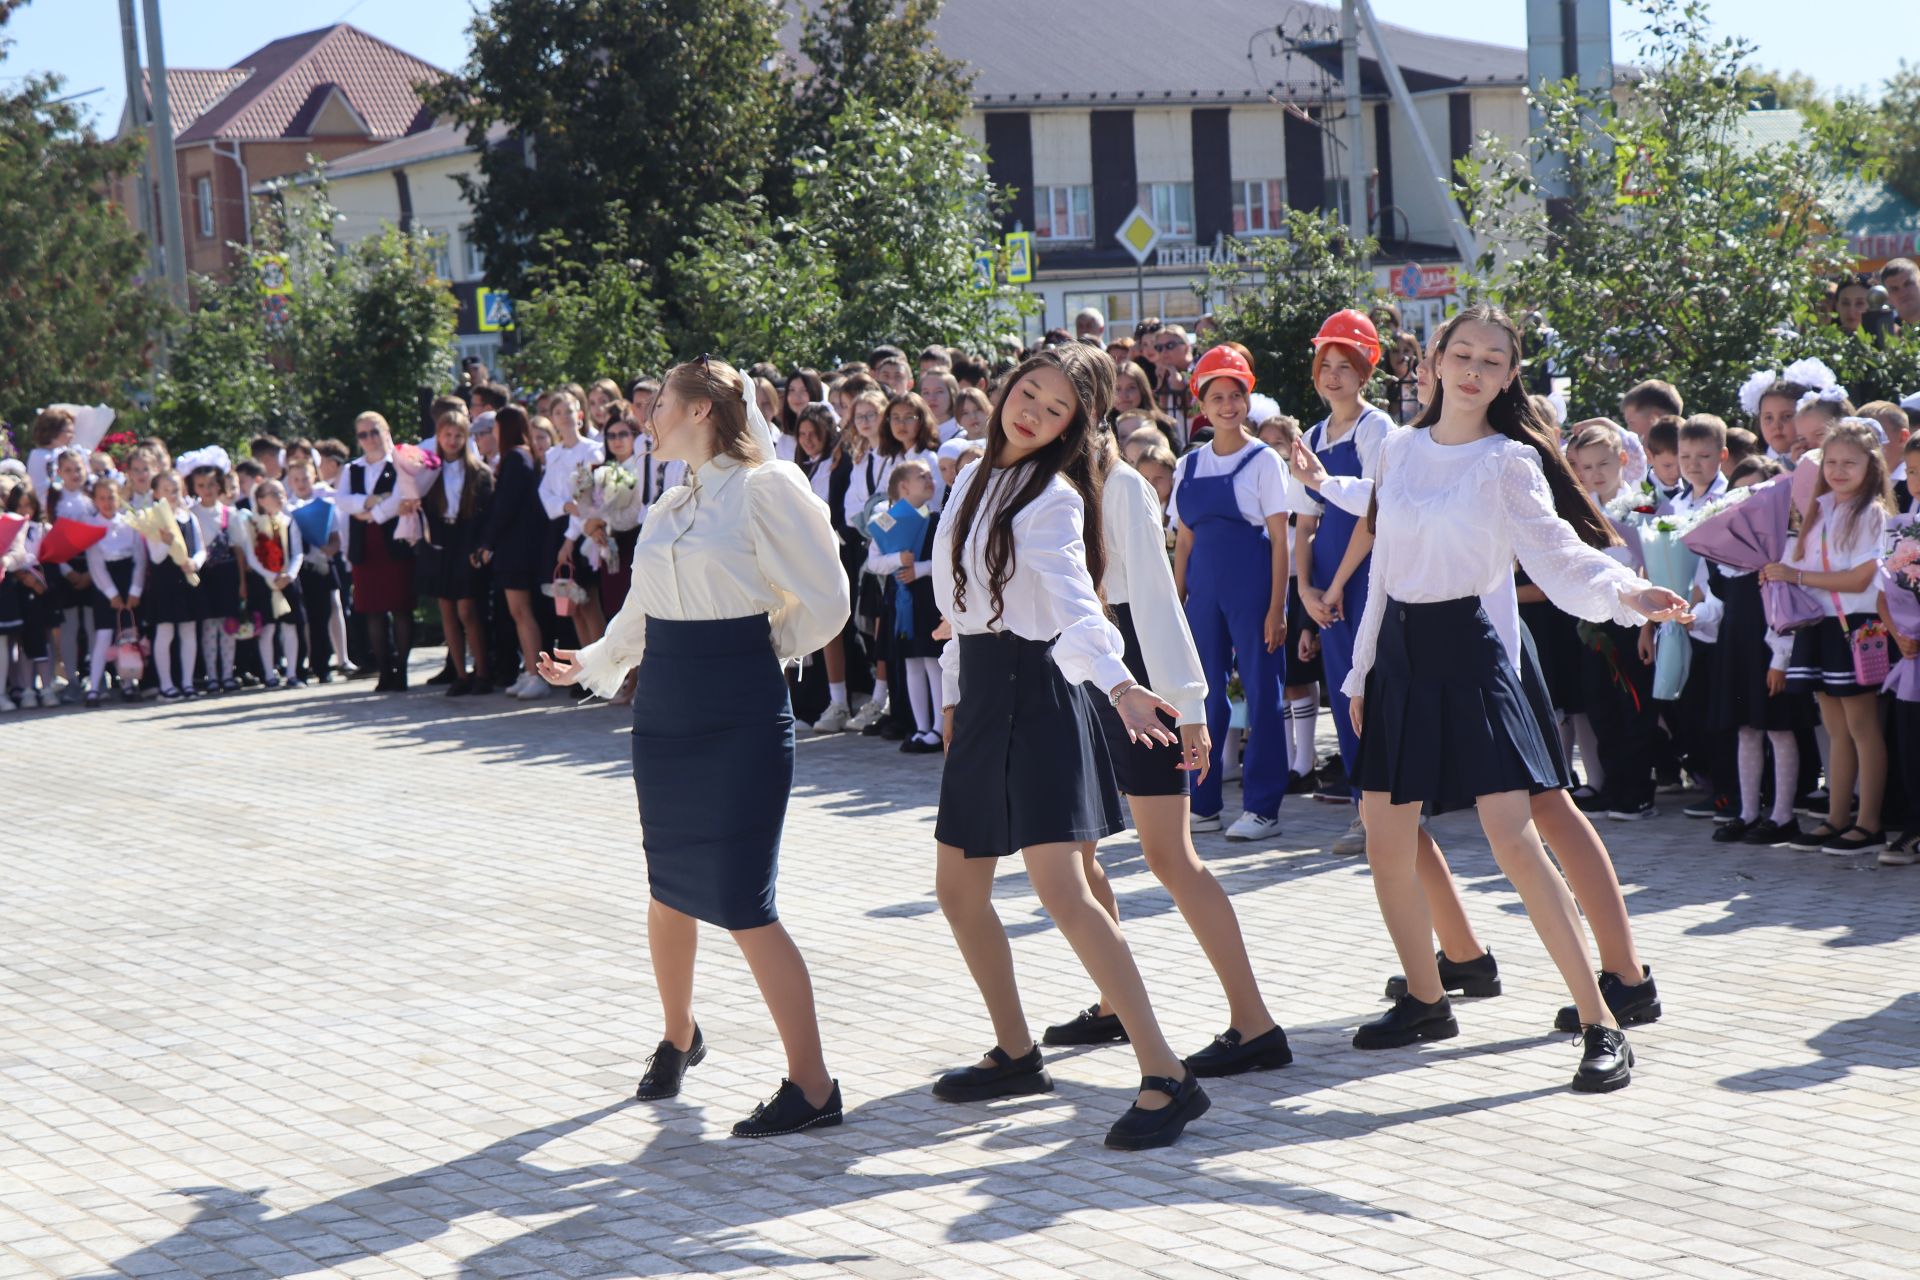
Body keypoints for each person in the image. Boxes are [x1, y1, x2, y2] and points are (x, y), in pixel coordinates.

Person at [1337, 304, 1689, 1092]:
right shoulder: (1396, 449)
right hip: (1397, 654)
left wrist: (1630, 593)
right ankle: (1425, 999)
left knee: (1514, 835)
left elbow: (1560, 559)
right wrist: (1359, 675)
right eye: (1460, 352)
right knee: (1384, 837)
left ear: (1509, 376)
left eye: (1491, 360)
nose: (1472, 369)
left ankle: (1601, 1021)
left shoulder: (1507, 462)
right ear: (1430, 360)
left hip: (1472, 651)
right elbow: (1382, 577)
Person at [538, 356, 850, 1139]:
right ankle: (680, 1035)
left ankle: (814, 1088)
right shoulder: (673, 503)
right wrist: (595, 660)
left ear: (705, 410)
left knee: (745, 899)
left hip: (737, 705)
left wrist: (758, 649)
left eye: (661, 403)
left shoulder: (765, 487)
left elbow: (829, 599)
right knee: (669, 883)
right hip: (668, 706)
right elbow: (647, 607)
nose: (646, 416)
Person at [931, 344, 1212, 1150]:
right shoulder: (973, 478)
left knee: (1063, 889)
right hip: (986, 695)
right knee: (957, 889)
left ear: (1073, 428)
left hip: (1041, 693)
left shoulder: (1054, 499)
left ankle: (1167, 1073)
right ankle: (1017, 1053)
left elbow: (1076, 608)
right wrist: (954, 696)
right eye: (1029, 394)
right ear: (1007, 388)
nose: (1034, 413)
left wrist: (1122, 685)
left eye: (1056, 410)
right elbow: (961, 603)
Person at [1048, 377, 1292, 1079]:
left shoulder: (1121, 485)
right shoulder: (1047, 482)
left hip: (1134, 661)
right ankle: (1111, 1003)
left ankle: (1255, 1023)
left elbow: (1155, 598)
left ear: (1094, 412)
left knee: (1170, 856)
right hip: (1080, 662)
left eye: (1065, 403)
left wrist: (1187, 705)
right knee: (1076, 849)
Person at [1169, 345, 1292, 842]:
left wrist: (1278, 607)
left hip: (1254, 588)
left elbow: (1282, 538)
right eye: (1216, 396)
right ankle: (1203, 804)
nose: (1227, 405)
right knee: (1201, 698)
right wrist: (1176, 597)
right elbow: (1186, 538)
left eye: (1235, 395)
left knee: (1263, 696)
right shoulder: (1188, 466)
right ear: (1202, 403)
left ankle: (1262, 808)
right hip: (1202, 592)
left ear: (1247, 399)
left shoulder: (1265, 461)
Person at [1289, 309, 1395, 853]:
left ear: (1365, 372)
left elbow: (1373, 516)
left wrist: (1332, 589)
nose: (1332, 375)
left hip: (1366, 578)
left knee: (1371, 691)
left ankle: (1392, 812)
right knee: (1342, 691)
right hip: (1327, 587)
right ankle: (1363, 810)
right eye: (1324, 364)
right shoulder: (1309, 435)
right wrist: (1307, 592)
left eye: (1344, 365)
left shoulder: (1378, 429)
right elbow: (1304, 524)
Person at [1768, 421, 1895, 854]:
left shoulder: (1871, 512)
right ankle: (1838, 818)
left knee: (1863, 727)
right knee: (1837, 729)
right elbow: (1801, 567)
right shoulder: (1819, 510)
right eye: (1832, 462)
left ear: (1871, 466)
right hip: (1819, 627)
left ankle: (1870, 822)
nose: (1839, 470)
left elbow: (1863, 578)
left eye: (1850, 463)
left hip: (1856, 628)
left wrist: (1797, 574)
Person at [862, 459, 943, 753]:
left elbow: (949, 562)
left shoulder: (937, 519)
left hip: (931, 600)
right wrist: (898, 560)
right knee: (912, 663)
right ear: (903, 486)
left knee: (934, 662)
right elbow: (873, 562)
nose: (930, 479)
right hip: (903, 602)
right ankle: (921, 726)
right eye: (921, 475)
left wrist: (919, 568)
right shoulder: (886, 519)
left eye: (930, 475)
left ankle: (938, 726)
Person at [477, 406, 552, 699]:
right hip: (519, 548)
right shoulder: (523, 457)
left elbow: (504, 508)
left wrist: (488, 543)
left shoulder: (516, 458)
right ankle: (531, 669)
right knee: (519, 612)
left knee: (522, 612)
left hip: (517, 550)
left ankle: (536, 674)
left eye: (495, 427)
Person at [421, 410, 494, 696]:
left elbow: (487, 514)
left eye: (458, 435)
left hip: (468, 539)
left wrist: (481, 546)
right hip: (442, 541)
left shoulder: (477, 472)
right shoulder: (429, 471)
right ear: (438, 437)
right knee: (447, 610)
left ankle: (483, 672)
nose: (452, 440)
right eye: (447, 435)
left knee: (467, 610)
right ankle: (461, 674)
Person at [542, 392, 608, 676]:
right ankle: (587, 670)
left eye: (569, 411)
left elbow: (589, 498)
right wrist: (563, 505)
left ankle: (604, 667)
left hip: (583, 530)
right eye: (559, 412)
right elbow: (545, 493)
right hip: (560, 526)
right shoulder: (552, 454)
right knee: (573, 605)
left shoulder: (592, 450)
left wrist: (570, 537)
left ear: (580, 415)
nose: (565, 417)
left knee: (589, 602)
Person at [81, 476, 146, 705]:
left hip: (128, 579)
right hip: (105, 585)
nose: (107, 502)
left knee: (127, 636)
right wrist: (112, 594)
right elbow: (96, 564)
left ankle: (129, 684)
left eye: (111, 497)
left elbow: (139, 558)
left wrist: (135, 590)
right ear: (95, 500)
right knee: (104, 636)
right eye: (102, 498)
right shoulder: (91, 526)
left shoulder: (130, 522)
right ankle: (94, 687)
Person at [238, 480, 307, 688]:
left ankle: (293, 672)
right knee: (267, 629)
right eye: (273, 493)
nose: (279, 497)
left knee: (290, 626)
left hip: (287, 580)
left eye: (281, 492)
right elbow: (251, 556)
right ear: (260, 499)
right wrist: (270, 576)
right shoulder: (252, 524)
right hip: (264, 583)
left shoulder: (288, 521)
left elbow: (297, 552)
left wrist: (290, 574)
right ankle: (268, 673)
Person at [186, 460, 241, 694]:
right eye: (201, 485)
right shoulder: (192, 514)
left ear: (219, 486)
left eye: (211, 484)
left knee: (228, 627)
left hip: (227, 574)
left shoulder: (230, 513)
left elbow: (238, 549)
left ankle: (228, 674)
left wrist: (243, 583)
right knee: (209, 627)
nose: (207, 490)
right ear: (194, 488)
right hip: (205, 574)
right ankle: (212, 675)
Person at [1882, 258, 1920, 329]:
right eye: (1894, 289)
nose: (1903, 293)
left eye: (1908, 284)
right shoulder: (1885, 333)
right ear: (1887, 297)